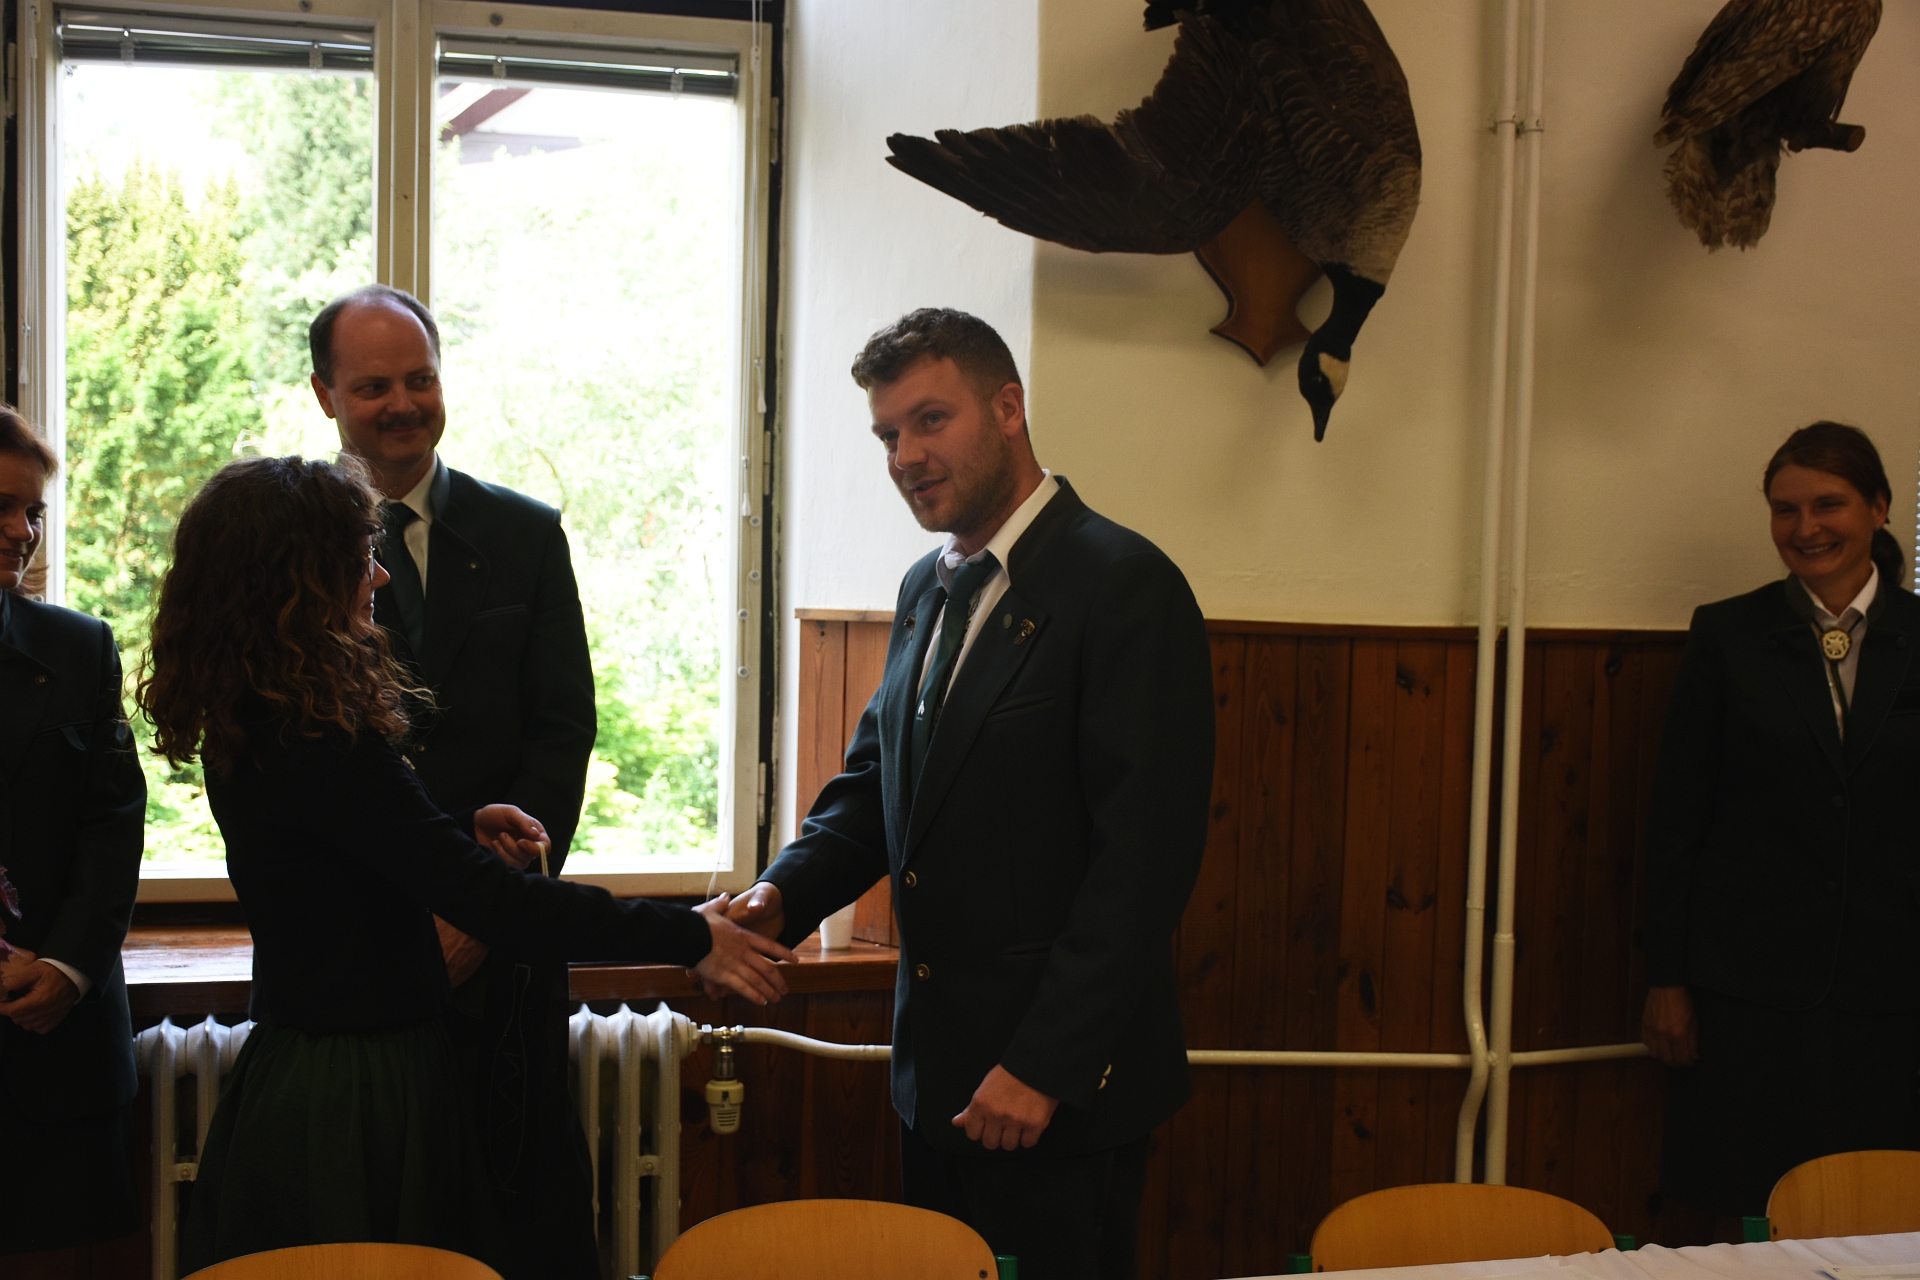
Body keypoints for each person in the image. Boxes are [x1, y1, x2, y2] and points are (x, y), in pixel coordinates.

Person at [137, 454, 789, 1272]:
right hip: (360, 1087)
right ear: (296, 581)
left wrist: (452, 825)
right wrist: (691, 935)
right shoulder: (321, 736)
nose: (377, 576)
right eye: (357, 558)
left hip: (304, 1068)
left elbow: (343, 852)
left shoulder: (258, 717)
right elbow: (495, 903)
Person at [720, 309, 1215, 1280]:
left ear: (1008, 408)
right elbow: (879, 786)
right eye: (887, 434)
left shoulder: (1123, 582)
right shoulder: (928, 586)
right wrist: (780, 897)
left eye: (931, 420)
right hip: (937, 1079)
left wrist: (1042, 1066)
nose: (905, 456)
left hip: (1058, 1090)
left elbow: (1142, 863)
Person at [307, 284, 601, 1277]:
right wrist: (422, 913)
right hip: (359, 953)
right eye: (374, 386)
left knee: (521, 1214)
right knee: (378, 1231)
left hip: (508, 946)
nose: (404, 403)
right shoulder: (289, 538)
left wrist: (482, 907)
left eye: (421, 379)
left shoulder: (526, 533)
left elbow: (561, 734)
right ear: (325, 395)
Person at [1641, 420, 1920, 1230]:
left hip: (1894, 982)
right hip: (1748, 985)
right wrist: (1666, 977)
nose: (1806, 528)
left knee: (1880, 1209)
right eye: (1784, 509)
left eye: (1828, 504)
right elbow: (1678, 815)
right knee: (1746, 1204)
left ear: (1878, 508)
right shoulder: (1727, 634)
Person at [0, 408, 146, 1259]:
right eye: (2, 507)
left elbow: (113, 824)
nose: (22, 532)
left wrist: (66, 967)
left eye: (32, 512)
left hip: (59, 1057)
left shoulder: (80, 648)